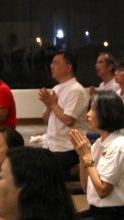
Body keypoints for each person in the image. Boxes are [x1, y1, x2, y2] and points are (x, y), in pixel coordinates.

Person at [69, 90, 124, 220]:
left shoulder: (119, 145)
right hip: (97, 212)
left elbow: (102, 190)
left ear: (107, 113)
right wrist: (81, 155)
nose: (88, 114)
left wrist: (87, 156)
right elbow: (86, 187)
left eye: (93, 109)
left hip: (118, 217)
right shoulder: (98, 144)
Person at [38, 50, 89, 180]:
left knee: (45, 174)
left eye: (56, 63)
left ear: (68, 67)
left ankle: (76, 169)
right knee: (32, 165)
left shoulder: (76, 90)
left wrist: (52, 103)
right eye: (52, 63)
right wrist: (48, 106)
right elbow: (46, 120)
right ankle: (71, 171)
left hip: (69, 147)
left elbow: (68, 120)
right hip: (52, 144)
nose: (52, 66)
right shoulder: (56, 88)